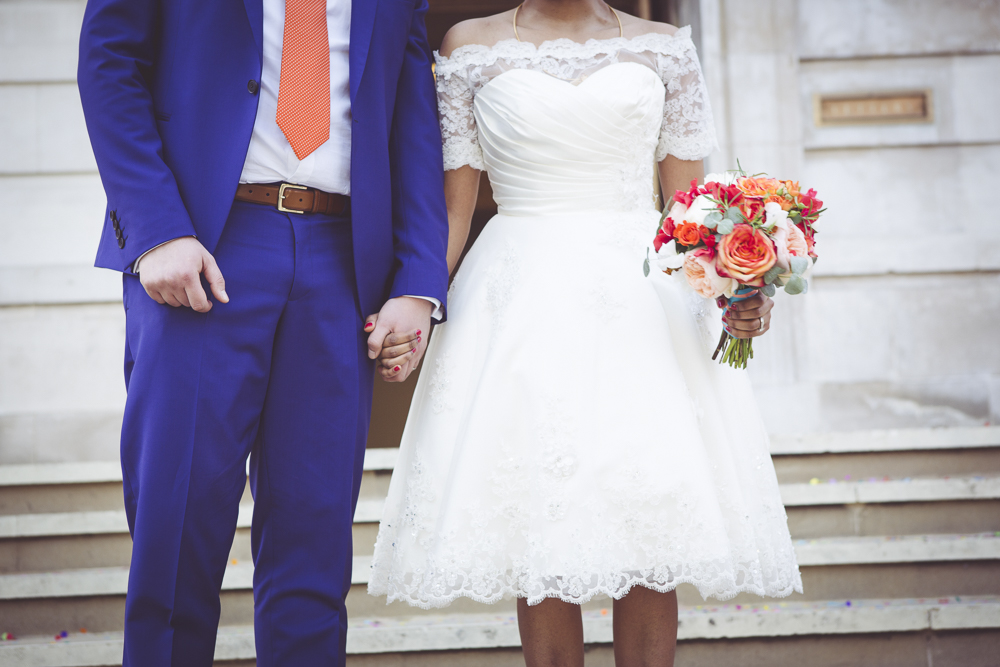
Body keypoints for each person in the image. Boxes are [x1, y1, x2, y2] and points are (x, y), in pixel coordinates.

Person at [367, 2, 803, 665]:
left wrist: (739, 295)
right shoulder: (468, 45)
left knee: (649, 523)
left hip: (643, 303)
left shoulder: (665, 48)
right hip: (518, 302)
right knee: (541, 524)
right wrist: (416, 300)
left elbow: (692, 216)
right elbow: (454, 209)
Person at [77, 1, 448, 664]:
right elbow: (108, 60)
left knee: (314, 547)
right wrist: (157, 228)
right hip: (205, 246)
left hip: (342, 259)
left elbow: (411, 106)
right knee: (177, 534)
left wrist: (418, 279)